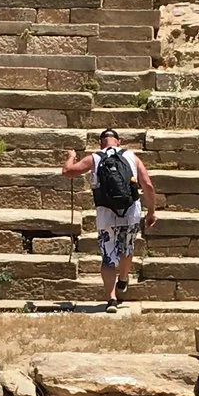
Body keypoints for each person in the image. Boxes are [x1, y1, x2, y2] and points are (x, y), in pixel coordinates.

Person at [62, 127, 157, 308]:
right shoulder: (131, 156)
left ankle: (111, 299)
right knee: (127, 247)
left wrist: (71, 156)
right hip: (130, 211)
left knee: (107, 256)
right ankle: (123, 278)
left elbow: (68, 171)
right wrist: (151, 211)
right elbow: (148, 185)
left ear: (101, 143)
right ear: (118, 141)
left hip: (106, 213)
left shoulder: (95, 157)